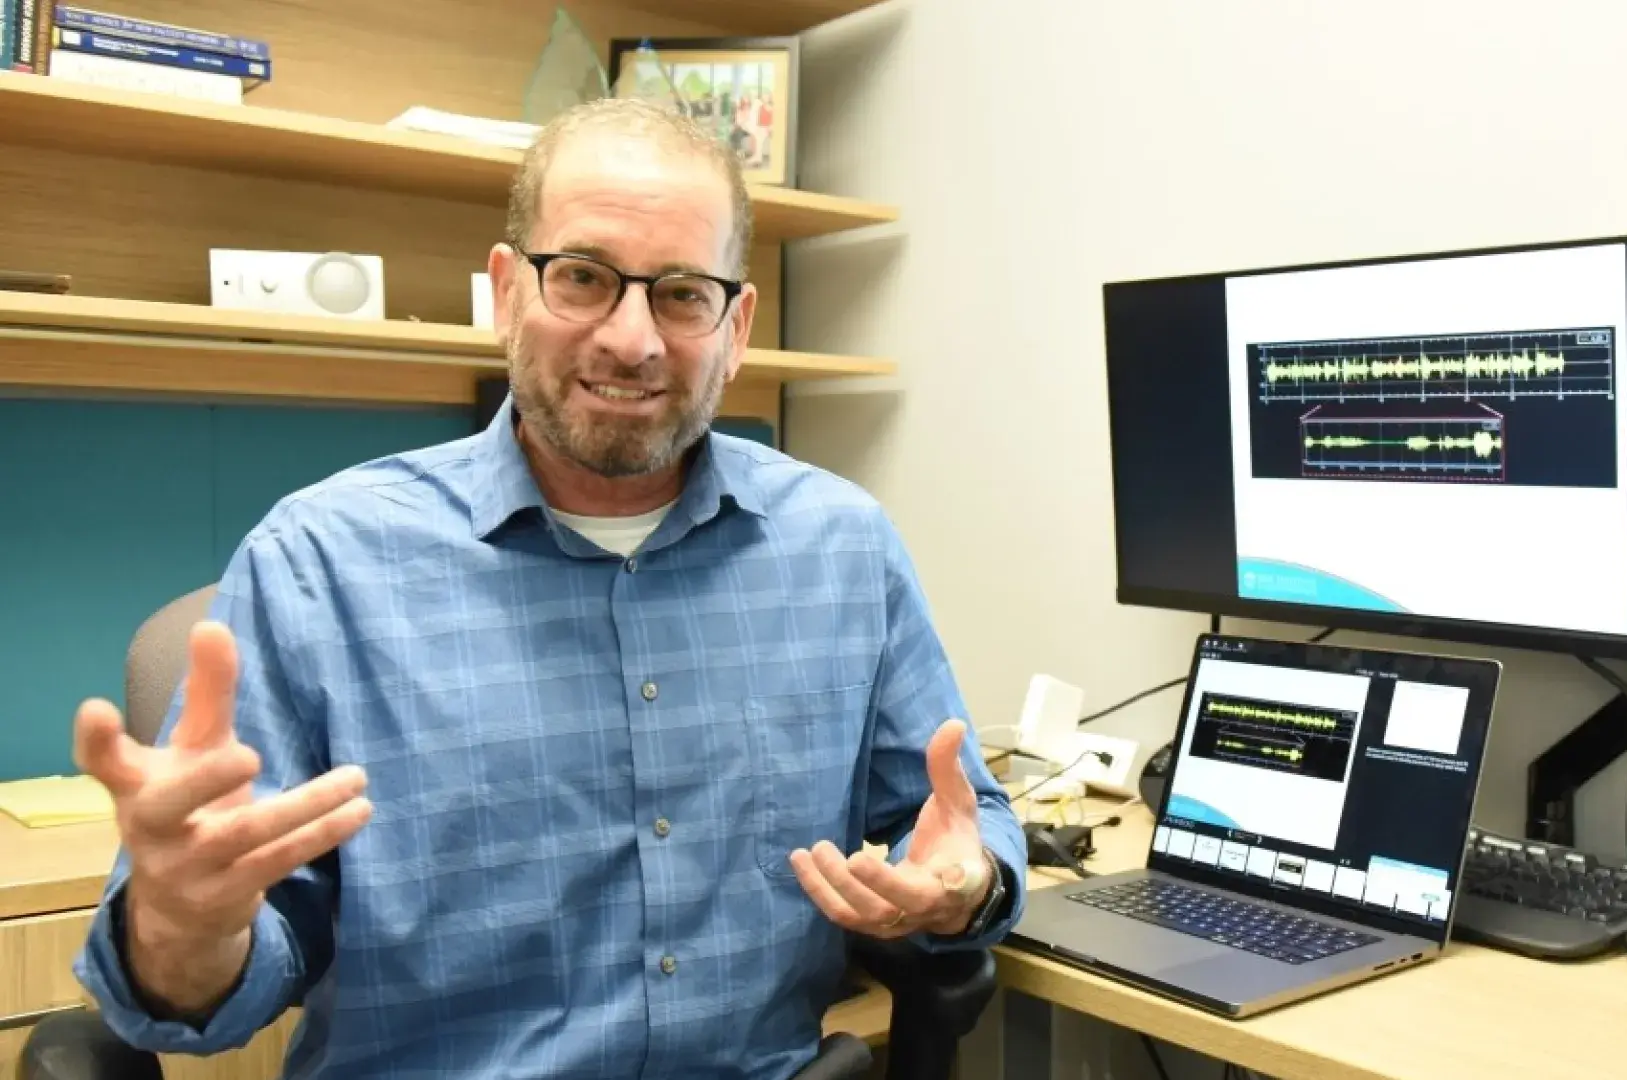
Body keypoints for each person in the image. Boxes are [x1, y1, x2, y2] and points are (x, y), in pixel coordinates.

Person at [68, 96, 1027, 1079]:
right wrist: (184, 925)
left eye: (683, 294)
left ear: (736, 327)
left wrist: (970, 882)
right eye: (583, 278)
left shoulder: (843, 549)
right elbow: (207, 989)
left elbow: (961, 819)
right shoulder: (320, 565)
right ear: (505, 292)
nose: (632, 339)